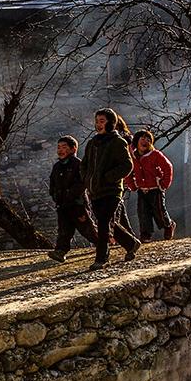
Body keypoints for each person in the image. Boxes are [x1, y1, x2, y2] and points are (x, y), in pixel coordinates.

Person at [81, 108, 142, 266]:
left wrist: (108, 178)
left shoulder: (117, 142)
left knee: (103, 224)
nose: (98, 124)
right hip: (95, 192)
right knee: (108, 223)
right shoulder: (92, 143)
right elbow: (84, 165)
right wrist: (87, 180)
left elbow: (127, 165)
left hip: (111, 191)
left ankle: (101, 258)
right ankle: (131, 243)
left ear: (111, 123)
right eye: (97, 121)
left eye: (102, 121)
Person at [47, 136, 98, 263]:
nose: (60, 150)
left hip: (77, 204)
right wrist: (54, 195)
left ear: (73, 148)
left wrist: (70, 195)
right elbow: (52, 183)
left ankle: (102, 243)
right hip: (62, 205)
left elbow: (82, 184)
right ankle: (60, 251)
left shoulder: (78, 164)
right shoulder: (57, 166)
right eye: (58, 147)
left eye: (64, 147)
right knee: (64, 229)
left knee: (87, 229)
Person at [125, 129, 176, 241]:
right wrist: (132, 185)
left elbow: (168, 167)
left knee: (159, 211)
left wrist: (164, 184)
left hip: (156, 189)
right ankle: (145, 234)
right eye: (142, 139)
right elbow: (128, 172)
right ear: (136, 141)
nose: (145, 142)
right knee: (143, 212)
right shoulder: (133, 157)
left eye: (148, 140)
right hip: (142, 190)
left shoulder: (155, 155)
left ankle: (168, 225)